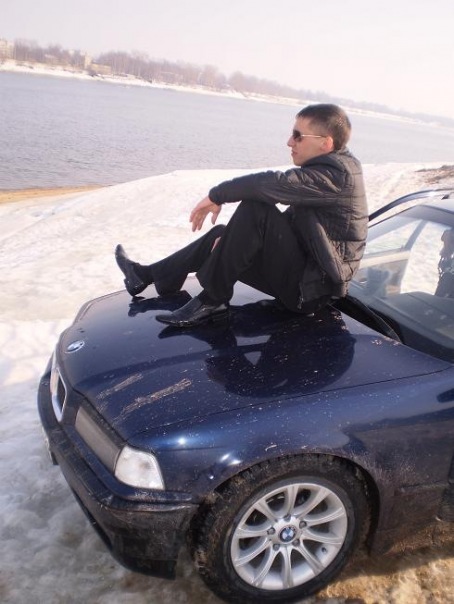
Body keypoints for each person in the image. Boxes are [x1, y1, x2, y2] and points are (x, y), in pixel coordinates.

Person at [115, 103, 368, 327]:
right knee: (222, 234)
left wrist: (217, 195)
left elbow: (269, 184)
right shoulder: (332, 170)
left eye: (297, 136)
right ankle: (146, 276)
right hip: (303, 279)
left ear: (326, 143)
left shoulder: (336, 176)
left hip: (309, 293)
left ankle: (213, 300)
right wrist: (232, 244)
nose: (289, 142)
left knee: (256, 209)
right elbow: (297, 229)